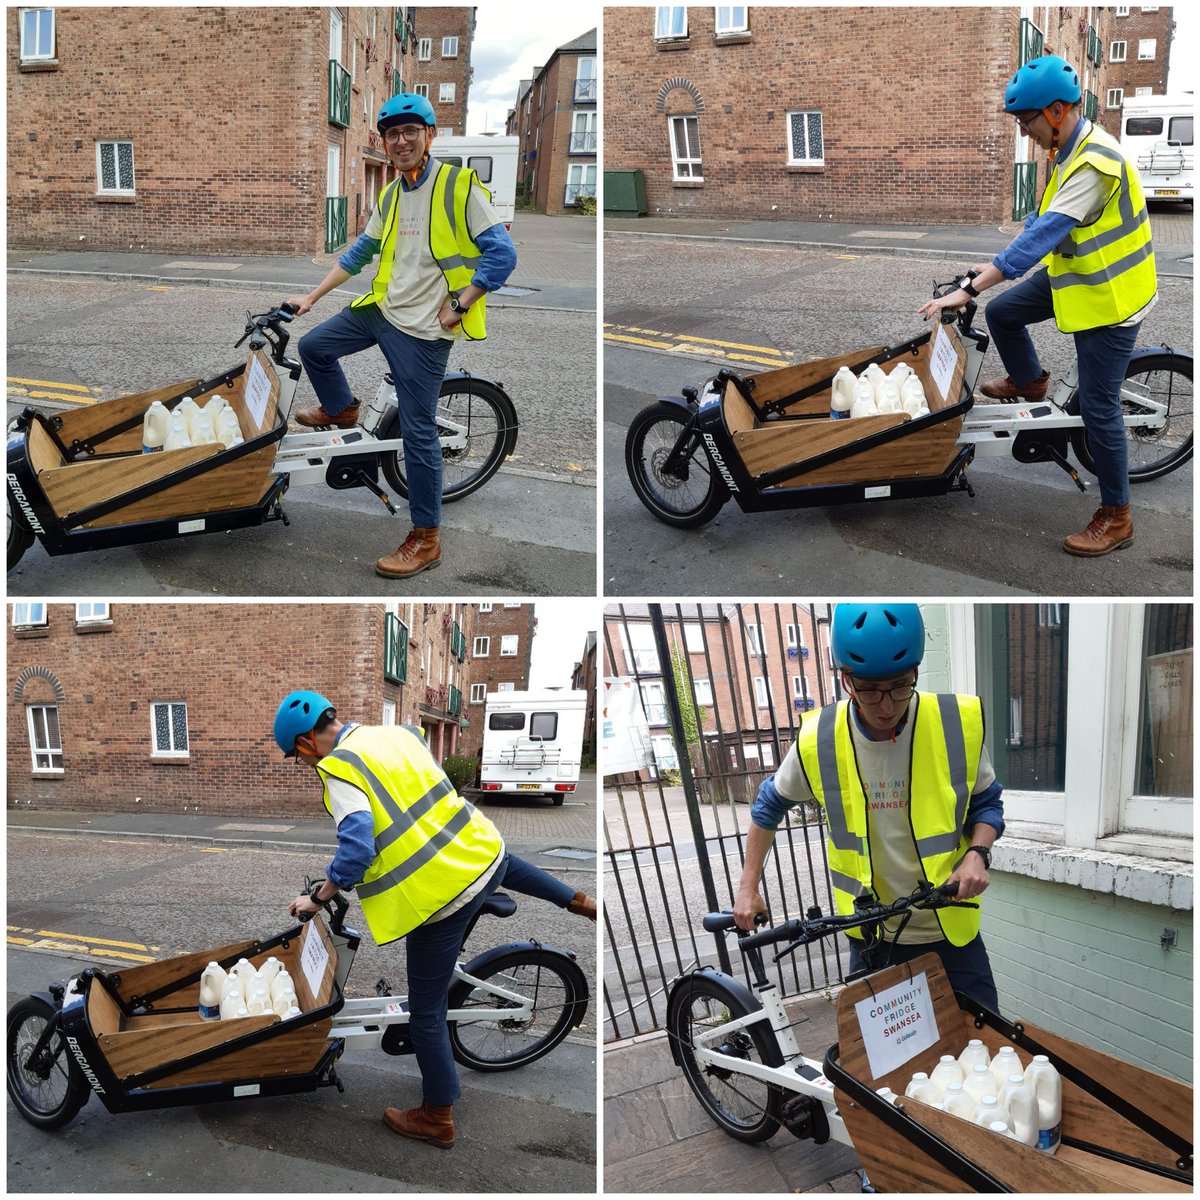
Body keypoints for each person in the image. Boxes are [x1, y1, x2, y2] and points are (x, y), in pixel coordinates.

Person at [274, 690, 595, 1148]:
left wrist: (318, 898)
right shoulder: (397, 736)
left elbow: (357, 849)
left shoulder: (339, 767)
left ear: (306, 742)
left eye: (298, 757)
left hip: (442, 900)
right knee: (500, 861)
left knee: (426, 1013)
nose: (304, 764)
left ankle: (437, 1116)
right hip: (479, 850)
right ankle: (579, 900)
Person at [918, 54, 1157, 558]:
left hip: (1111, 298)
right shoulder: (1066, 150)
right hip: (1078, 277)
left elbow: (1044, 236)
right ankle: (1030, 381)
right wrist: (983, 270)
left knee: (1099, 409)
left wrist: (970, 289)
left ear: (1055, 111)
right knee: (1004, 313)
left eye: (1026, 120)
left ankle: (1118, 517)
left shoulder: (1094, 163)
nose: (1024, 131)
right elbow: (1036, 222)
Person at [285, 93, 517, 579]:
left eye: (411, 131)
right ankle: (342, 409)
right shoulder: (391, 194)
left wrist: (460, 304)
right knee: (313, 346)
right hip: (382, 311)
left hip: (424, 331)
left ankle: (427, 538)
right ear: (385, 143)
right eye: (393, 133)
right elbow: (360, 254)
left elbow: (503, 255)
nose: (402, 140)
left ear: (429, 135)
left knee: (417, 432)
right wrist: (312, 297)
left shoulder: (458, 186)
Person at [733, 604, 1004, 1012]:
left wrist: (977, 854)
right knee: (879, 1053)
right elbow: (768, 805)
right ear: (846, 680)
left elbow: (987, 802)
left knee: (986, 1041)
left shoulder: (954, 723)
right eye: (870, 689)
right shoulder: (820, 738)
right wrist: (747, 887)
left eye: (900, 686)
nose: (886, 705)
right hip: (872, 939)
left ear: (915, 672)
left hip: (951, 933)